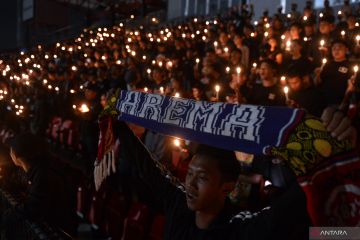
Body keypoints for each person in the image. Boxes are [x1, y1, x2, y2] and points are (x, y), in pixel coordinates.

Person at [116, 105, 357, 239]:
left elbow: (307, 215)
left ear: (228, 187)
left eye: (202, 178)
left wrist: (333, 147)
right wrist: (117, 123)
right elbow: (145, 165)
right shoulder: (178, 205)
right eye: (190, 174)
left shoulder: (242, 229)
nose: (189, 184)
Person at [3, 133, 78, 238]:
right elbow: (20, 183)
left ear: (16, 155)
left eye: (11, 150)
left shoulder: (43, 175)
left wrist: (5, 217)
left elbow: (32, 208)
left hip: (58, 233)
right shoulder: (36, 168)